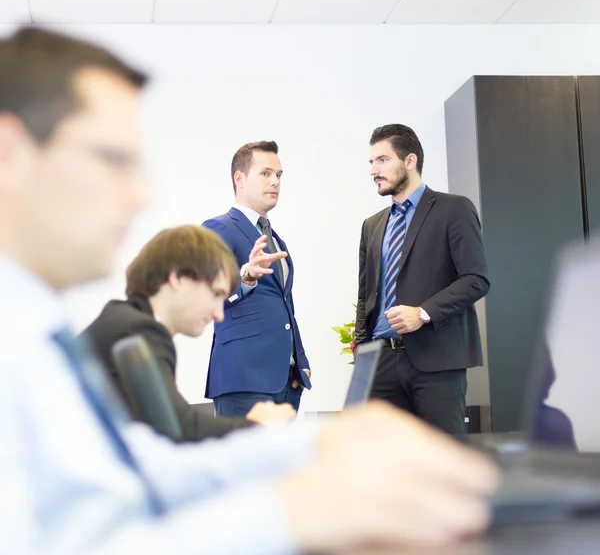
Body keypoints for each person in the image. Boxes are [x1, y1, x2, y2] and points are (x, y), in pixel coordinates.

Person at [0, 27, 500, 554]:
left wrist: (314, 442)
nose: (142, 194)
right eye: (113, 160)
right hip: (251, 376)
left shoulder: (38, 329)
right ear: (10, 151)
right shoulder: (40, 337)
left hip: (313, 375)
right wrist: (299, 511)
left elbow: (142, 469)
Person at [83, 225, 296, 442]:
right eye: (216, 294)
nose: (219, 314)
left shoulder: (125, 319)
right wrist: (258, 426)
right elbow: (177, 428)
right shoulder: (139, 329)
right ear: (178, 278)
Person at [356, 124, 490, 435]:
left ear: (410, 160)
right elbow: (365, 296)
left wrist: (423, 313)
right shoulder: (372, 226)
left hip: (437, 361)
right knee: (387, 463)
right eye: (371, 162)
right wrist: (363, 355)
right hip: (381, 363)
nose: (374, 170)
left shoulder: (453, 209)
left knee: (443, 459)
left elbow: (476, 278)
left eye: (382, 160)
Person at [203, 141, 311, 416]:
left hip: (287, 382)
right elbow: (207, 298)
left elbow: (284, 305)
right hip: (243, 381)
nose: (275, 181)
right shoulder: (217, 228)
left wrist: (298, 361)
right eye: (265, 173)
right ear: (240, 178)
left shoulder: (274, 238)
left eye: (279, 175)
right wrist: (246, 277)